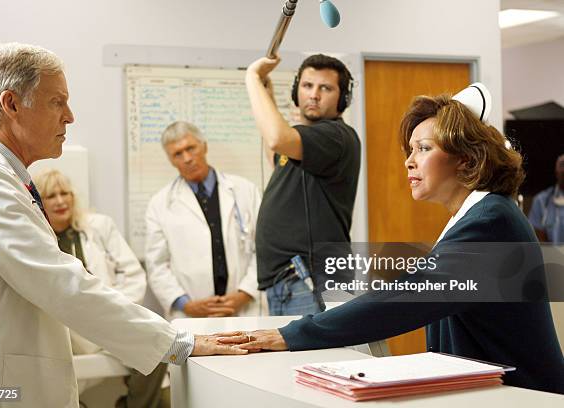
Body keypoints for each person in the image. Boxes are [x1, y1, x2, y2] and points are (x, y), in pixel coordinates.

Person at [0, 42, 245, 408]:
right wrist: (178, 342)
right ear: (11, 104)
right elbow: (60, 283)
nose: (70, 116)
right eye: (56, 101)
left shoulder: (3, 179)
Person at [220, 86, 564, 394]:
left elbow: (409, 296)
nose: (409, 161)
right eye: (410, 149)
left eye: (424, 148)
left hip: (527, 397)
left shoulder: (491, 221)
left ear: (467, 158)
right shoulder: (478, 214)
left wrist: (291, 334)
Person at [34, 169, 168, 408]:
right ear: (39, 203)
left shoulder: (99, 226)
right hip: (67, 332)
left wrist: (112, 307)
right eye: (51, 196)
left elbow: (134, 275)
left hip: (109, 321)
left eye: (65, 193)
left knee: (158, 347)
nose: (60, 201)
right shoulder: (36, 238)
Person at [245, 54, 361, 316]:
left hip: (309, 278)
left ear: (343, 100)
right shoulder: (304, 143)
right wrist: (268, 94)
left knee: (313, 358)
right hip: (291, 280)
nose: (314, 95)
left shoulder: (336, 137)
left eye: (326, 88)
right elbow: (277, 156)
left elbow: (277, 138)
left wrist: (252, 78)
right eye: (307, 86)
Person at [145, 121, 263, 320]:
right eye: (178, 154)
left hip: (244, 308)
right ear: (171, 160)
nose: (187, 158)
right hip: (191, 315)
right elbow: (157, 266)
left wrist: (245, 294)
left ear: (204, 146)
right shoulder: (160, 204)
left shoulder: (245, 191)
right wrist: (186, 304)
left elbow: (264, 249)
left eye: (191, 148)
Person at [528, 154, 564, 244]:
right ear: (556, 171)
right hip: (551, 256)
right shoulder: (541, 201)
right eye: (562, 165)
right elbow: (536, 235)